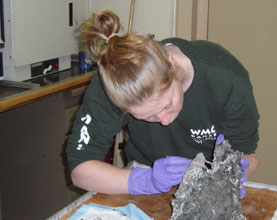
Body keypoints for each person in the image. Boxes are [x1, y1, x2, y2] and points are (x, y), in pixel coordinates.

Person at [66, 10, 260, 199]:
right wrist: (145, 181)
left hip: (212, 175)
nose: (164, 121)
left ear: (171, 64)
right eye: (146, 116)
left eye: (167, 105)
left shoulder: (225, 78)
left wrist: (231, 175)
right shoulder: (112, 85)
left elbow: (247, 156)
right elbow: (80, 169)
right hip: (145, 172)